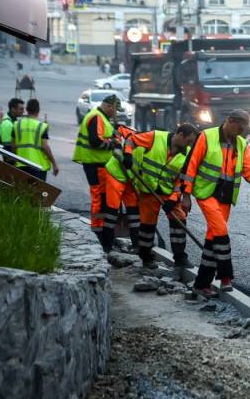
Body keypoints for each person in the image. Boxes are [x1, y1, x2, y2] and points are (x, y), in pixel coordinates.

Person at [181, 110, 250, 297]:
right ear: (229, 121)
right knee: (221, 231)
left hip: (225, 196)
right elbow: (190, 166)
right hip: (206, 192)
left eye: (245, 128)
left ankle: (201, 284)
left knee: (212, 239)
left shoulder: (241, 143)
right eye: (240, 127)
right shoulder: (206, 137)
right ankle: (226, 277)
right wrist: (185, 195)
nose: (242, 131)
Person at [123, 123, 198, 268]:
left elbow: (181, 181)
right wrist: (127, 153)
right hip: (148, 190)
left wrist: (174, 198)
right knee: (147, 225)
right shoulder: (155, 137)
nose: (190, 145)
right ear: (180, 135)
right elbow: (131, 139)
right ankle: (146, 257)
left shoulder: (187, 154)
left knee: (180, 220)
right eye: (188, 141)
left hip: (169, 192)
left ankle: (180, 258)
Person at [73, 93, 126, 243]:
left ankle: (101, 230)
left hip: (98, 165)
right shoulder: (96, 117)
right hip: (95, 164)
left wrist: (114, 135)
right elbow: (95, 142)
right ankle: (98, 232)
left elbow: (103, 136)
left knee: (102, 198)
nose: (115, 113)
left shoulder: (101, 117)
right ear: (109, 106)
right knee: (99, 198)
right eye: (115, 110)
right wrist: (113, 144)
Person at [12, 99, 59, 181]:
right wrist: (54, 163)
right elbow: (45, 147)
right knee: (37, 192)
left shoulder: (17, 125)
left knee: (22, 191)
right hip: (37, 166)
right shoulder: (42, 126)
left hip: (21, 163)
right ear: (38, 111)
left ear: (26, 110)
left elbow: (13, 145)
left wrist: (15, 159)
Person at [0, 98, 24, 162]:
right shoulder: (7, 124)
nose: (23, 111)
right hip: (11, 162)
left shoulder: (13, 120)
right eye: (21, 109)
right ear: (13, 109)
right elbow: (7, 149)